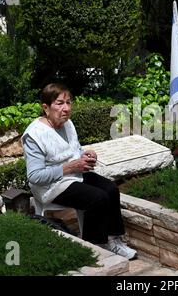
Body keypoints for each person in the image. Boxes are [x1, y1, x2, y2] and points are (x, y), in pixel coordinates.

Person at [22, 83, 137, 259]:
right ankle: (95, 247)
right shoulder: (34, 135)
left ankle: (114, 240)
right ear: (46, 107)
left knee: (111, 189)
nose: (66, 108)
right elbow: (35, 176)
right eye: (60, 103)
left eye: (69, 102)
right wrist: (69, 167)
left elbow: (72, 149)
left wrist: (85, 154)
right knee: (96, 198)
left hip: (74, 175)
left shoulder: (67, 124)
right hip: (51, 186)